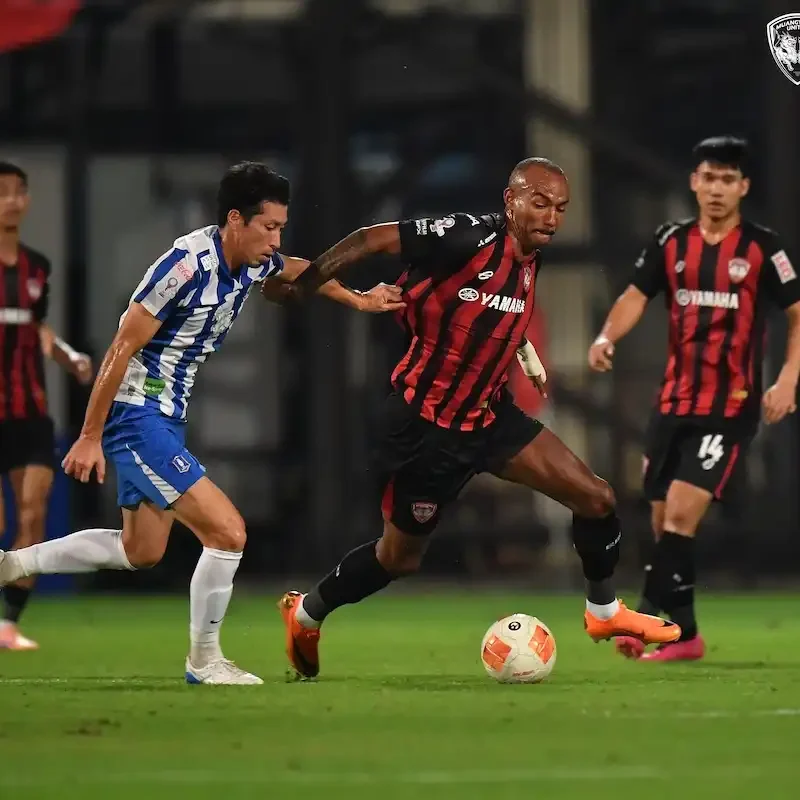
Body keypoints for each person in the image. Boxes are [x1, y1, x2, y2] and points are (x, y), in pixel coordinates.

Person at [261, 156, 681, 680]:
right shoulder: (465, 236)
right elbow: (372, 239)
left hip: (488, 419)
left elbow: (483, 307)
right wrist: (304, 286)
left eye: (560, 208)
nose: (551, 217)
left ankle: (603, 613)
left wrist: (522, 348)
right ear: (510, 201)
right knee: (399, 559)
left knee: (595, 498)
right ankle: (305, 613)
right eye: (540, 203)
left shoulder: (530, 254)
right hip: (426, 427)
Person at [0, 161, 404, 683]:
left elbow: (299, 270)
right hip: (136, 413)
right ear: (235, 219)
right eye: (270, 227)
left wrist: (360, 299)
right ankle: (205, 660)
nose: (277, 238)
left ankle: (13, 564)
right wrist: (89, 436)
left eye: (281, 227)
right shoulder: (185, 265)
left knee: (140, 550)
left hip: (167, 416)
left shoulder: (254, 260)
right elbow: (122, 346)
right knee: (228, 531)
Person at [588, 136, 800, 662]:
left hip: (729, 409)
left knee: (682, 518)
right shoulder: (670, 242)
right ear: (694, 182)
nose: (717, 189)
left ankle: (640, 622)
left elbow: (799, 314)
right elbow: (635, 295)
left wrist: (790, 379)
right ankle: (687, 636)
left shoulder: (762, 249)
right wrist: (605, 336)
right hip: (672, 406)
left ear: (743, 188)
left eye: (728, 180)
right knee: (663, 525)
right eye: (709, 177)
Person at [0, 160, 93, 651]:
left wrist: (69, 356)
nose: (13, 201)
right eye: (4, 193)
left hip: (30, 411)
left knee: (32, 518)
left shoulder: (36, 267)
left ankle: (8, 624)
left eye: (20, 192)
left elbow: (37, 329)